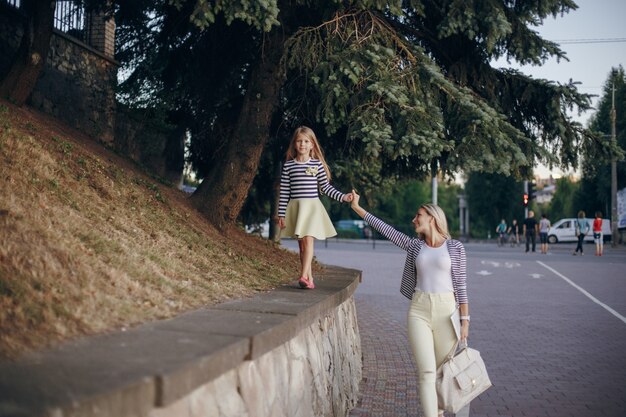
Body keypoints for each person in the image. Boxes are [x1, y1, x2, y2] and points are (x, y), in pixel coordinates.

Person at [350, 190, 469, 417]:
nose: (414, 220)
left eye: (419, 215)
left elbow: (462, 286)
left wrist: (465, 321)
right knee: (425, 372)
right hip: (419, 310)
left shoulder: (455, 248)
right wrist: (358, 208)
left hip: (447, 312)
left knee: (441, 372)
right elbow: (386, 229)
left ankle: (439, 412)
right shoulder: (415, 246)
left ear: (432, 218)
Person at [277, 126, 353, 289]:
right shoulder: (289, 166)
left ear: (312, 145)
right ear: (294, 144)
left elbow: (326, 188)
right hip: (296, 208)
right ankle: (309, 278)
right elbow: (284, 191)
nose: (302, 144)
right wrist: (281, 214)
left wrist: (344, 197)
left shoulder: (317, 165)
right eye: (299, 141)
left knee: (308, 240)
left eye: (306, 141)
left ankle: (303, 275)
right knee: (302, 245)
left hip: (311, 208)